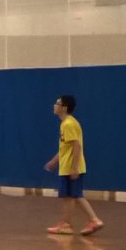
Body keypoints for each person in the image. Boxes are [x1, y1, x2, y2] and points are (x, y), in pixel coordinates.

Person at [45, 94, 103, 236]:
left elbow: (76, 146)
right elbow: (66, 148)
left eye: (57, 103)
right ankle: (66, 224)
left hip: (71, 167)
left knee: (76, 195)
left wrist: (75, 167)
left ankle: (94, 220)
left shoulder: (68, 124)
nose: (54, 105)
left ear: (64, 108)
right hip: (66, 166)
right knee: (68, 196)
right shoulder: (66, 123)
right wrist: (54, 161)